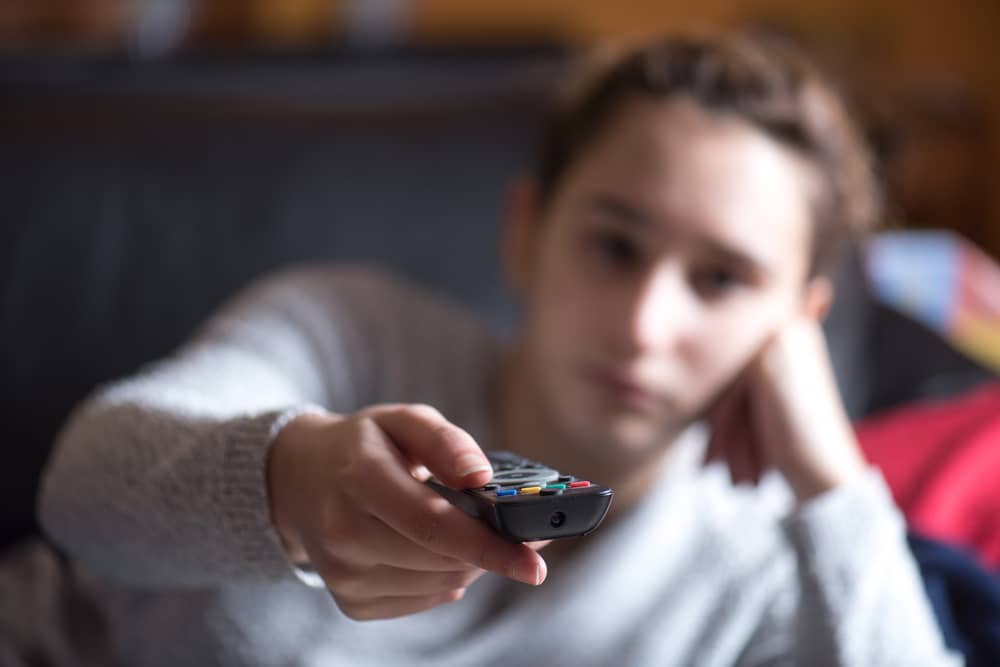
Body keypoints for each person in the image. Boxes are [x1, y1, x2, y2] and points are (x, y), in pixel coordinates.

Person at [34, 33, 960, 665]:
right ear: (527, 231)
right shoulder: (349, 335)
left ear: (797, 320)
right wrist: (284, 482)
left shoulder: (761, 565)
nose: (644, 324)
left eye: (720, 279)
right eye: (614, 245)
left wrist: (835, 486)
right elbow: (77, 489)